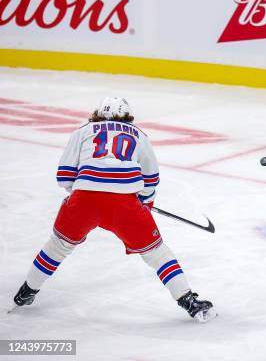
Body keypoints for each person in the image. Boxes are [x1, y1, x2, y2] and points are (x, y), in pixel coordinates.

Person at [12, 97, 216, 323]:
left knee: (58, 246)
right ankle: (189, 301)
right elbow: (151, 179)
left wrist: (82, 193)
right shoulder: (139, 135)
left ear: (97, 113)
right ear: (128, 118)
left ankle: (26, 292)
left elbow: (64, 176)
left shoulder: (83, 130)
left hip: (84, 200)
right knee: (157, 252)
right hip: (124, 206)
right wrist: (145, 204)